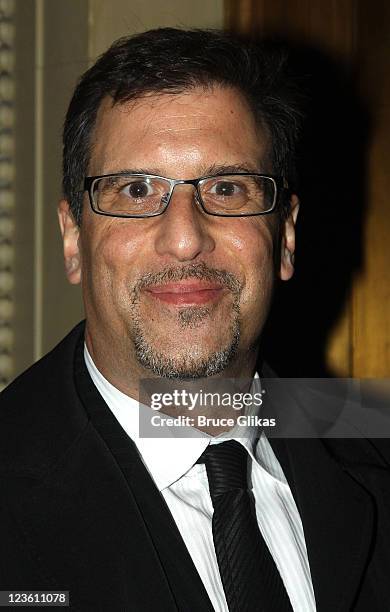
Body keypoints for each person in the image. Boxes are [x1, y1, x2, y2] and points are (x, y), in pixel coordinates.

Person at [1, 27, 389, 612]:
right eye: (136, 189)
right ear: (73, 238)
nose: (184, 238)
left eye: (228, 188)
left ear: (284, 237)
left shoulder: (371, 449)